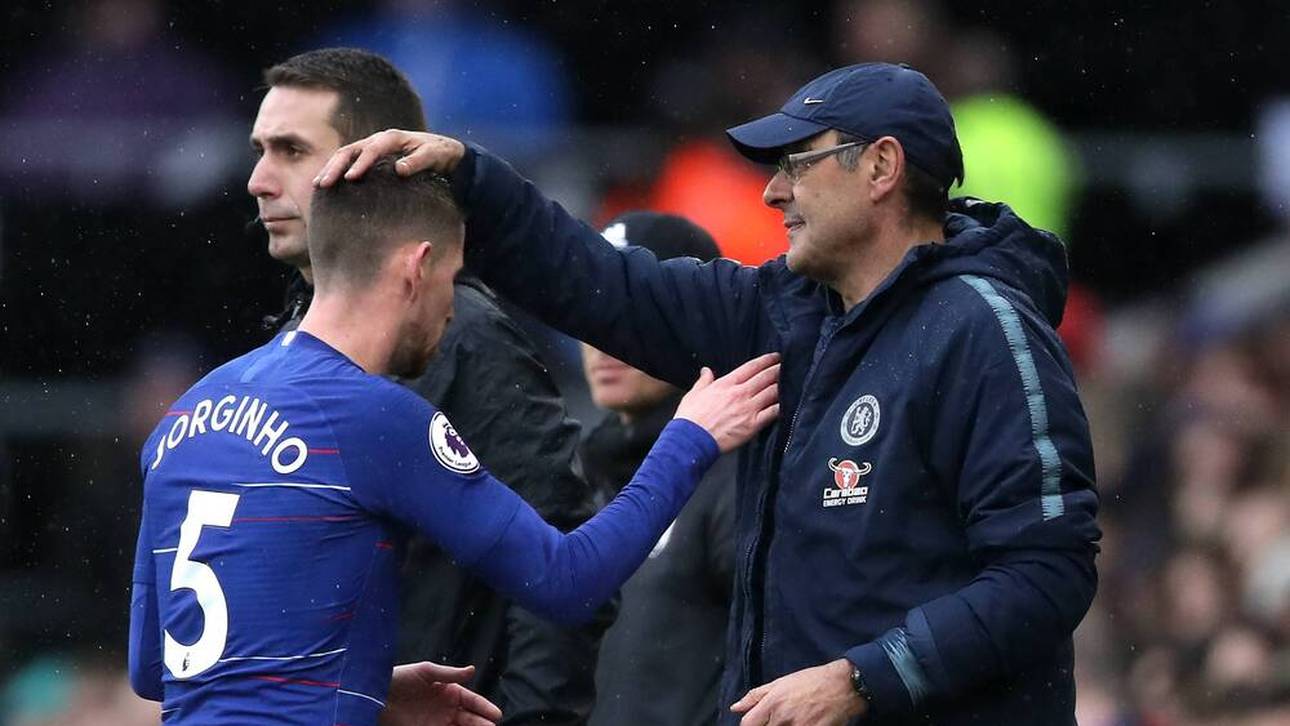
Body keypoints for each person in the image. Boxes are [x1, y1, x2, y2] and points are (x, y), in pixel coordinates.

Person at [319, 61, 1102, 725]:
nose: (772, 193)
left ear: (882, 167)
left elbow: (1045, 575)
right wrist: (471, 182)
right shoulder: (782, 312)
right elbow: (607, 288)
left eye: (798, 163)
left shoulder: (985, 329)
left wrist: (863, 679)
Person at [127, 157, 781, 725]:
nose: (451, 308)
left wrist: (365, 693)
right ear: (419, 266)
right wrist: (689, 437)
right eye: (454, 278)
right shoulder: (374, 417)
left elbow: (155, 668)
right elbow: (568, 582)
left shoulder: (186, 415)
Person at [248, 48, 607, 724]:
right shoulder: (295, 336)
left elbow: (559, 561)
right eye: (260, 150)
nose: (258, 180)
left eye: (290, 151)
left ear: (369, 162)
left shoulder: (462, 336)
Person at [581, 212, 735, 726]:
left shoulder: (738, 474)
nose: (603, 341)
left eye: (629, 312)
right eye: (588, 309)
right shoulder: (576, 473)